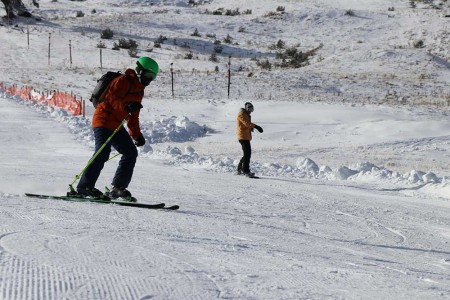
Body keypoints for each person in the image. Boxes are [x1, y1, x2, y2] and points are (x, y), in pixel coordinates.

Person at [75, 56, 159, 200]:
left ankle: (118, 188)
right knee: (102, 152)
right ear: (139, 71)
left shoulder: (139, 91)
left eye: (153, 77)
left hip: (116, 125)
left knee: (130, 152)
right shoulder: (122, 81)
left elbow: (133, 116)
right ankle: (84, 187)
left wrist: (136, 135)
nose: (149, 80)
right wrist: (127, 106)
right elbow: (112, 98)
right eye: (148, 75)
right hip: (103, 119)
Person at [236, 102, 263, 177]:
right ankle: (245, 171)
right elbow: (246, 123)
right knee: (247, 153)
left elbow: (246, 125)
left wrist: (251, 128)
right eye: (250, 109)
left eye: (252, 109)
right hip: (242, 137)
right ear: (247, 108)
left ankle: (240, 169)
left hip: (246, 136)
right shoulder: (241, 114)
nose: (251, 111)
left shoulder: (246, 115)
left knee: (246, 153)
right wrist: (256, 127)